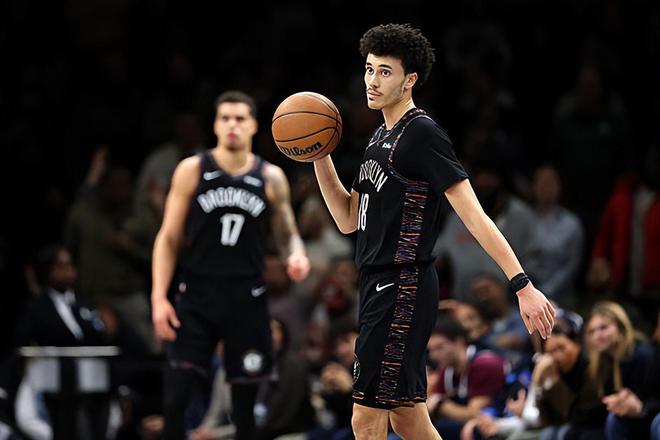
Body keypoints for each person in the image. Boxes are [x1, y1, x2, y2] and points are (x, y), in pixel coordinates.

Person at [310, 23, 555, 440]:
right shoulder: (379, 136)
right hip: (378, 285)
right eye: (368, 69)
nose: (372, 81)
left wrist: (522, 284)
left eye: (384, 72)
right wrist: (320, 156)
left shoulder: (422, 133)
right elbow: (349, 218)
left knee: (365, 421)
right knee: (407, 418)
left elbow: (474, 215)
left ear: (409, 80)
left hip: (402, 285)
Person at [150, 90, 310, 440]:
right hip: (197, 295)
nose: (232, 125)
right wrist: (159, 297)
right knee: (175, 398)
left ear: (253, 125)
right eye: (225, 118)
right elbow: (168, 237)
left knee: (244, 409)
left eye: (239, 118)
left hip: (246, 298)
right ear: (215, 125)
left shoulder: (270, 176)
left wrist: (296, 256)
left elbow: (287, 235)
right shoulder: (193, 169)